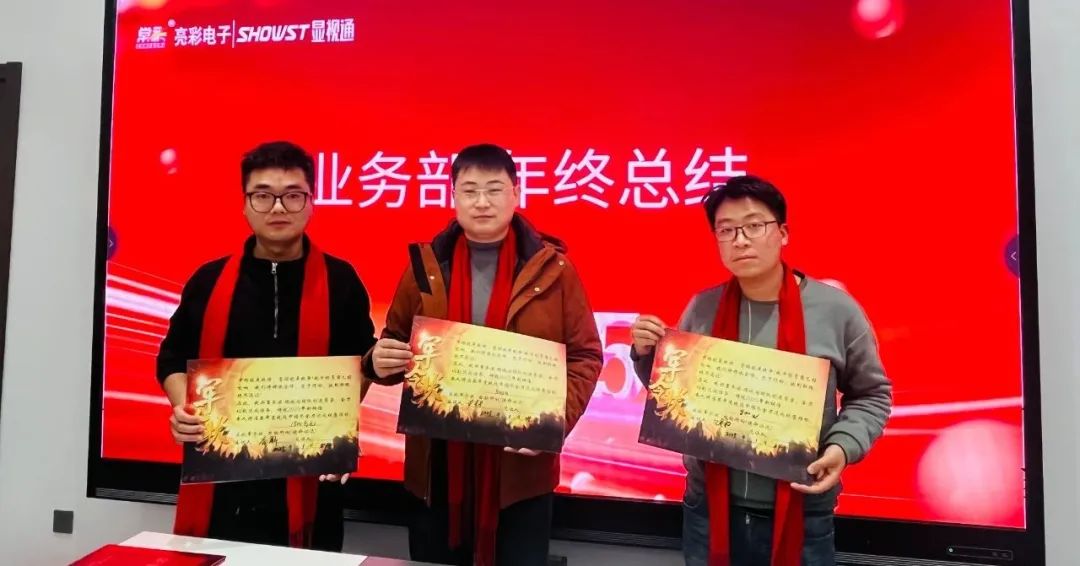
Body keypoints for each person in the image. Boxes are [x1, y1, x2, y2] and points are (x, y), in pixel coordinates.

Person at [629, 175, 892, 566]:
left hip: (803, 511)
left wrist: (842, 447)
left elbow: (871, 394)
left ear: (783, 233)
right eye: (726, 230)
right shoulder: (703, 307)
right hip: (708, 510)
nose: (740, 240)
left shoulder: (835, 310)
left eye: (754, 225)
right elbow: (675, 397)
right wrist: (646, 354)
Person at [363, 143, 603, 566]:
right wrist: (379, 363)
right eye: (469, 190)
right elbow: (395, 342)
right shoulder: (425, 266)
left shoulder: (554, 270)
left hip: (519, 472)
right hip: (437, 467)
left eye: (494, 189)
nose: (482, 202)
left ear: (516, 193)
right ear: (453, 196)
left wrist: (554, 421)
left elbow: (585, 355)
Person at [156, 141, 378, 551]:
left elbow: (361, 364)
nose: (278, 208)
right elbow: (172, 357)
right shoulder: (208, 281)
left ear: (311, 202)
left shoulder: (341, 280)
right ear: (245, 204)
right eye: (262, 195)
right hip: (223, 478)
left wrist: (338, 421)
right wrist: (183, 409)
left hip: (310, 477)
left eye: (293, 195)